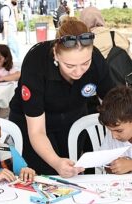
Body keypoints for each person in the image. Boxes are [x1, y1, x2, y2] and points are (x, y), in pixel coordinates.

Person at [8, 18, 116, 177]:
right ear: (56, 54)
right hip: (33, 125)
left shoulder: (96, 59)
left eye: (85, 63)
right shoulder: (36, 62)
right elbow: (37, 131)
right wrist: (56, 162)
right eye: (70, 66)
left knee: (74, 172)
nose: (79, 72)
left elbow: (113, 101)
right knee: (46, 175)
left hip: (72, 119)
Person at [79, 6, 132, 77]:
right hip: (121, 80)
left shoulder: (84, 41)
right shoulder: (116, 35)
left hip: (96, 82)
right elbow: (130, 58)